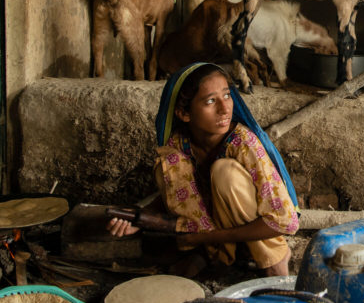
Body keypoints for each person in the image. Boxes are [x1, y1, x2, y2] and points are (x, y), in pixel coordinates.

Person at [107, 63, 299, 277]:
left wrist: (201, 238)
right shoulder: (180, 145)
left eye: (227, 96)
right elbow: (174, 193)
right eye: (210, 101)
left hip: (244, 230)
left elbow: (283, 221)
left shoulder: (244, 143)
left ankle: (274, 259)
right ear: (184, 113)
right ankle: (212, 256)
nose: (225, 108)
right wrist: (138, 219)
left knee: (224, 172)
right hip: (213, 232)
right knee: (168, 164)